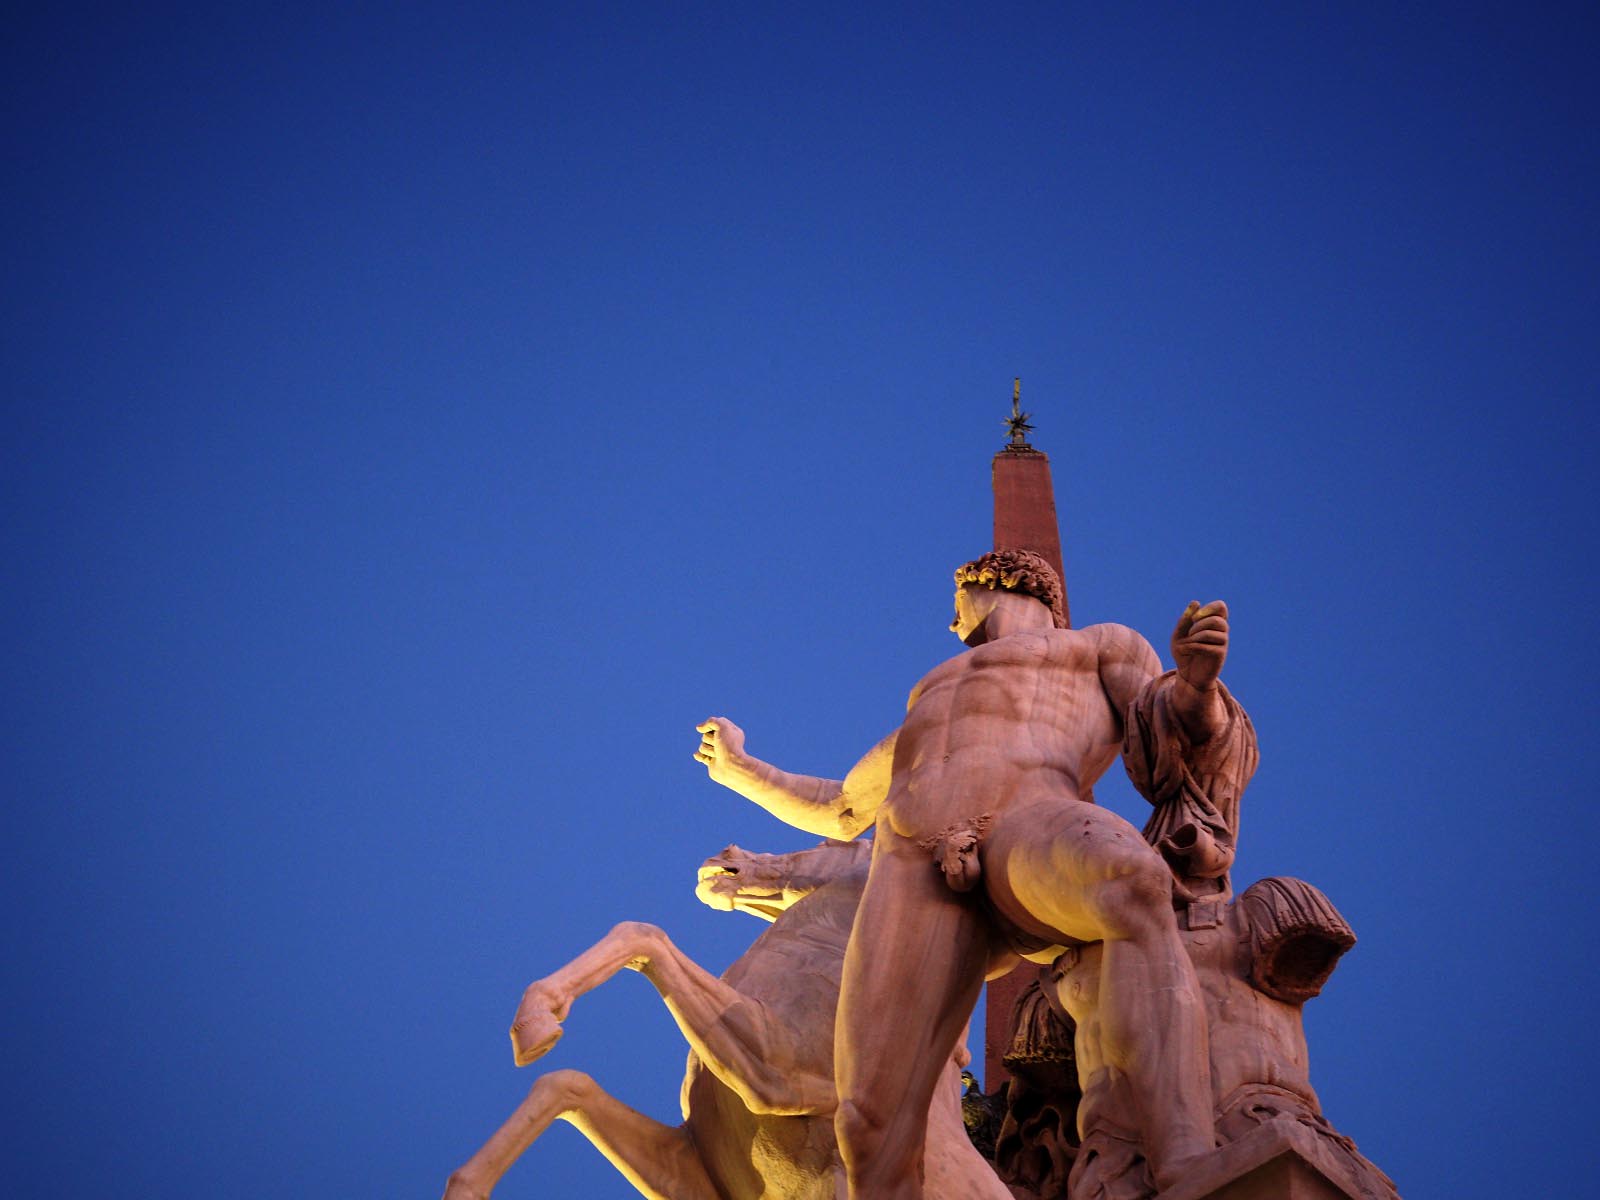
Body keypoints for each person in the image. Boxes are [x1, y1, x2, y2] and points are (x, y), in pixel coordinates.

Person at [695, 549, 1254, 1199]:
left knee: (1131, 881)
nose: (952, 623)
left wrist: (1196, 689)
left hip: (1030, 820)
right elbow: (842, 807)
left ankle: (1185, 1157)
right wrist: (740, 769)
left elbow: (1166, 738)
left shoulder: (1100, 645)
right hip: (914, 862)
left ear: (992, 581)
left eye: (955, 604)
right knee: (867, 1119)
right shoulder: (931, 691)